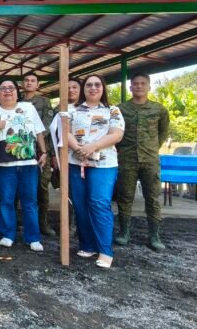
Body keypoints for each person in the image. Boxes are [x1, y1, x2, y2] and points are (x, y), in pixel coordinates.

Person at [0, 80, 48, 252]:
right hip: (3, 164)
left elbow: (39, 131)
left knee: (30, 201)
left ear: (17, 93)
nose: (7, 91)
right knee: (6, 201)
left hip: (28, 163)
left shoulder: (28, 108)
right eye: (3, 88)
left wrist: (43, 151)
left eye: (11, 88)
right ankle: (7, 235)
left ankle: (33, 237)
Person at [67, 74, 125, 269]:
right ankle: (87, 245)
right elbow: (65, 131)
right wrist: (78, 148)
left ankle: (105, 251)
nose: (93, 88)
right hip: (76, 162)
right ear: (83, 89)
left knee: (99, 203)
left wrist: (93, 146)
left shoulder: (112, 110)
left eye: (97, 85)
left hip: (104, 164)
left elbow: (117, 134)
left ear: (103, 88)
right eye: (89, 85)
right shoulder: (72, 110)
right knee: (80, 205)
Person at [115, 73, 169, 251]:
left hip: (150, 160)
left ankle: (154, 236)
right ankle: (124, 232)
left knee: (152, 198)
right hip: (127, 159)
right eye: (135, 84)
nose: (139, 86)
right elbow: (115, 132)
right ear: (130, 87)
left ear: (149, 87)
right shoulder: (121, 109)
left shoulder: (159, 109)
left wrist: (151, 148)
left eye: (143, 83)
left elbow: (163, 133)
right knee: (125, 197)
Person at [21, 72, 56, 238]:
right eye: (26, 80)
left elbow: (47, 125)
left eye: (32, 81)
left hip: (41, 150)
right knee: (20, 187)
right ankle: (23, 220)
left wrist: (33, 137)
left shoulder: (44, 101)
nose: (29, 83)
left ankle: (43, 222)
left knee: (42, 187)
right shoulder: (16, 101)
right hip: (20, 149)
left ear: (38, 84)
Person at [50, 77, 82, 236]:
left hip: (87, 156)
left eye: (74, 87)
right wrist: (53, 155)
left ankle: (84, 224)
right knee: (68, 193)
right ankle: (69, 224)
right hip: (65, 157)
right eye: (67, 87)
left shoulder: (88, 107)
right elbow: (52, 135)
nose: (71, 90)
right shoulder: (59, 110)